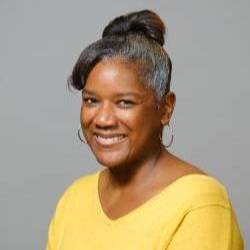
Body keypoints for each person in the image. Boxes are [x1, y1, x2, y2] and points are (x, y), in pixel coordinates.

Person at [45, 9, 244, 250]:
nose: (103, 119)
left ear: (166, 108)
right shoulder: (74, 198)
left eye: (125, 102)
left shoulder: (200, 203)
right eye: (91, 100)